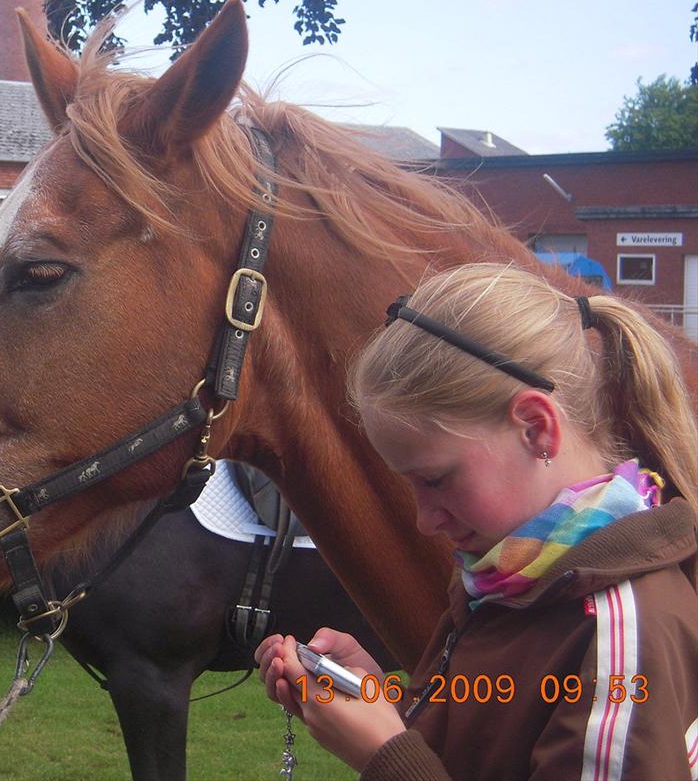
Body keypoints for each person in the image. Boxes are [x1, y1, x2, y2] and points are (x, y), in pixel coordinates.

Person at [257, 262, 698, 780]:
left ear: (536, 429)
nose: (424, 519)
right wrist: (384, 702)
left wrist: (387, 757)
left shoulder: (621, 640)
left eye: (438, 479)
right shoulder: (512, 569)